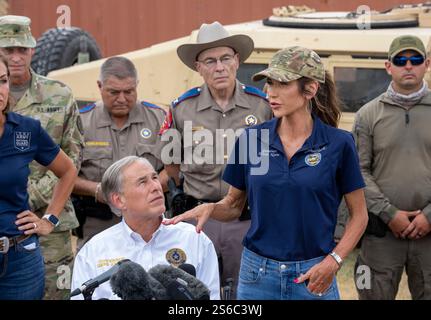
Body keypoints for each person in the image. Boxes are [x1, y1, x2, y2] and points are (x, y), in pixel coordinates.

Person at [166, 46, 368, 300]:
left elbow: (359, 216)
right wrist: (210, 208)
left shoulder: (339, 144)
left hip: (314, 274)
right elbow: (233, 205)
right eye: (270, 83)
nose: (270, 93)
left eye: (282, 84)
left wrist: (334, 261)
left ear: (310, 89)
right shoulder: (252, 138)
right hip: (256, 275)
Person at [160, 21, 272, 299]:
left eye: (225, 58)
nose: (219, 67)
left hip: (249, 220)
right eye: (210, 61)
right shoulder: (181, 108)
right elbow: (171, 166)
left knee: (246, 293)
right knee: (196, 293)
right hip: (199, 222)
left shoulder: (263, 105)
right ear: (198, 67)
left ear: (237, 61)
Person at [0, 15, 84, 300]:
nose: (15, 57)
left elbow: (73, 154)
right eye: (7, 50)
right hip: (7, 221)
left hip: (52, 221)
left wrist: (36, 201)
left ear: (32, 50)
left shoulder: (58, 94)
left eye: (21, 49)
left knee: (55, 294)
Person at [71, 156, 220, 300]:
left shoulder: (194, 239)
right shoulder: (93, 251)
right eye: (142, 182)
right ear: (119, 200)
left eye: (155, 178)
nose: (156, 187)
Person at [353, 35, 431, 300]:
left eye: (415, 60)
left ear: (426, 64)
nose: (408, 65)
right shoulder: (368, 114)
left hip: (429, 235)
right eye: (400, 60)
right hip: (382, 235)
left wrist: (428, 216)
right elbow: (358, 172)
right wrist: (389, 213)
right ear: (388, 66)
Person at [73, 56, 167, 249]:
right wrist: (98, 190)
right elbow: (66, 175)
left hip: (149, 223)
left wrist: (143, 192)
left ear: (137, 86)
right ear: (99, 86)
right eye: (113, 92)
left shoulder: (158, 119)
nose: (122, 99)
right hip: (98, 223)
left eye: (129, 91)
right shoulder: (81, 122)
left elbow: (173, 170)